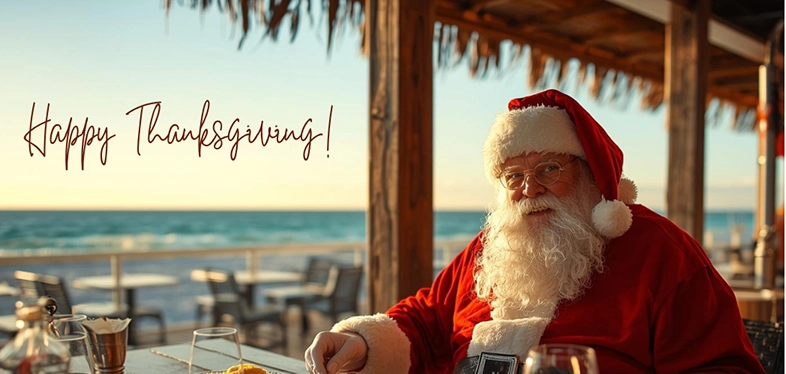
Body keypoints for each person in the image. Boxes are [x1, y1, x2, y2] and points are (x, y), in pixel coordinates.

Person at [304, 89, 765, 373]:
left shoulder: (660, 250)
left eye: (548, 168)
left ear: (589, 175)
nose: (529, 189)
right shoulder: (492, 248)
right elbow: (426, 318)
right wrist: (362, 343)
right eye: (513, 177)